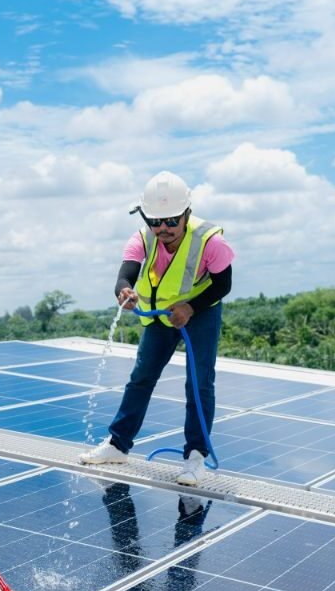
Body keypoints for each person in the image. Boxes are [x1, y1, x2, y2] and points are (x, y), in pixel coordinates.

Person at [80, 170, 234, 486]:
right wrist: (125, 291)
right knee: (141, 378)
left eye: (170, 221)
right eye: (155, 221)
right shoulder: (142, 238)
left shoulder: (210, 240)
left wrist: (191, 307)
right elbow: (125, 276)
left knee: (199, 382)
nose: (162, 228)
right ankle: (118, 445)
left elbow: (223, 284)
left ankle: (195, 457)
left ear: (186, 213)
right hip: (161, 318)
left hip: (200, 312)